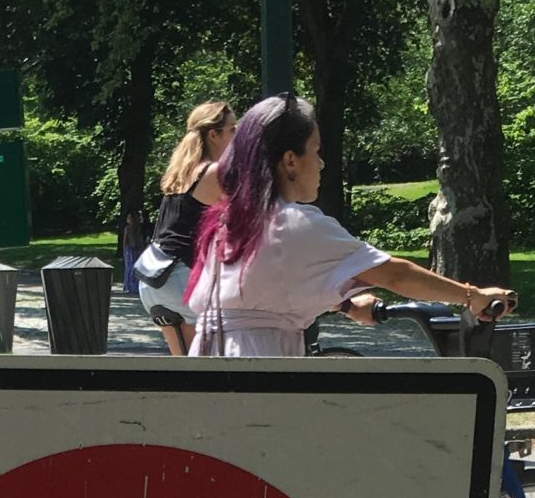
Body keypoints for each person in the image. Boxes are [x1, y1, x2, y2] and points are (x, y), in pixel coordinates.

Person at [184, 95, 513, 357]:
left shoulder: (233, 220)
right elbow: (394, 274)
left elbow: (271, 285)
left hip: (213, 356)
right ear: (290, 161)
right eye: (316, 151)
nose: (322, 163)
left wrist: (345, 304)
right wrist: (472, 296)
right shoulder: (296, 224)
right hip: (260, 361)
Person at [137, 100, 234, 356]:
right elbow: (250, 217)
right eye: (233, 130)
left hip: (154, 280)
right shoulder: (213, 172)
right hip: (183, 278)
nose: (238, 137)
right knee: (222, 363)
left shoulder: (182, 173)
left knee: (187, 374)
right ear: (214, 134)